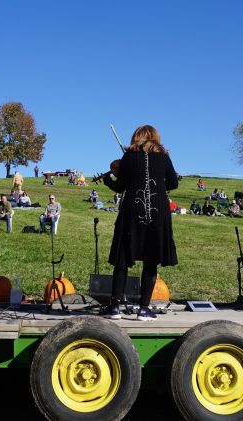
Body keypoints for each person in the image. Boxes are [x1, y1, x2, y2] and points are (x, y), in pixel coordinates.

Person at [99, 125, 178, 321]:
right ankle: (144, 309)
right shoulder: (164, 157)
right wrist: (159, 186)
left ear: (136, 137)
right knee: (151, 260)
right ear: (155, 138)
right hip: (158, 211)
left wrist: (108, 179)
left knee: (122, 258)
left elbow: (120, 187)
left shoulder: (128, 157)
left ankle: (115, 307)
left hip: (132, 210)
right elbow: (173, 183)